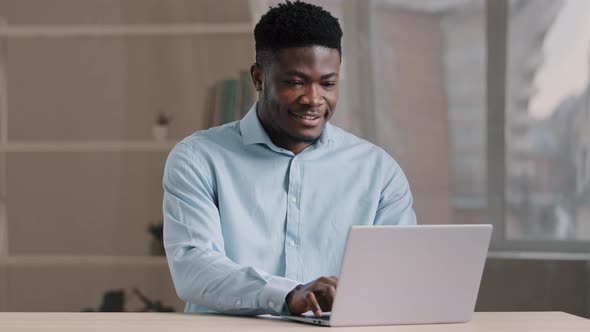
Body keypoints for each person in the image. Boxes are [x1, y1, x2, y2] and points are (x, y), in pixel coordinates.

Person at [163, 0, 416, 318]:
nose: (313, 99)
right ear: (258, 78)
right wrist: (287, 295)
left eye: (328, 83)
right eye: (295, 82)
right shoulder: (198, 159)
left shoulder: (378, 171)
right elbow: (193, 268)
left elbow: (399, 276)